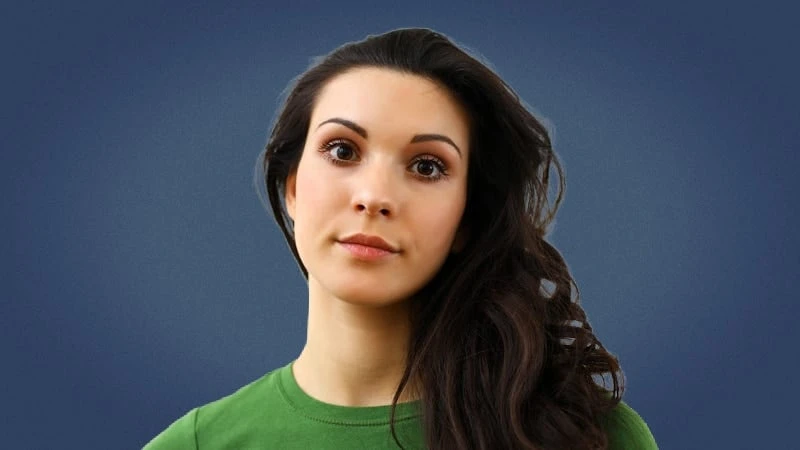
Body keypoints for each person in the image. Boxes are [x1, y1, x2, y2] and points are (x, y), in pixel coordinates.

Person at [144, 28, 658, 449]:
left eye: (427, 166)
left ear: (466, 221)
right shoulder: (196, 445)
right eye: (343, 151)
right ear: (293, 189)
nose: (374, 196)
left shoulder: (585, 435)